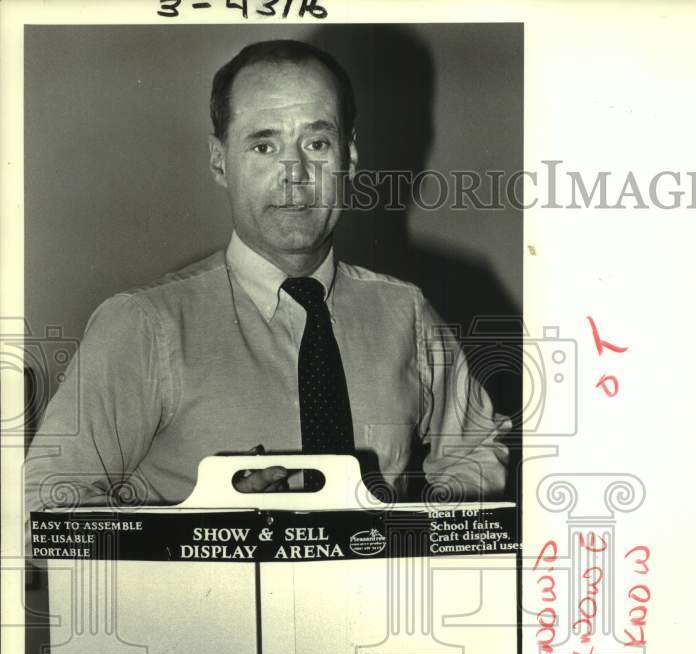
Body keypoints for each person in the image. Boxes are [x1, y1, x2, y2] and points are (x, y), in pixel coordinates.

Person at [25, 39, 510, 514]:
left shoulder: (405, 313)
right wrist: (204, 525)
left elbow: (477, 451)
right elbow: (41, 509)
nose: (294, 172)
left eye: (317, 143)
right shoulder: (142, 326)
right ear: (220, 161)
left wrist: (421, 526)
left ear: (350, 157)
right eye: (264, 145)